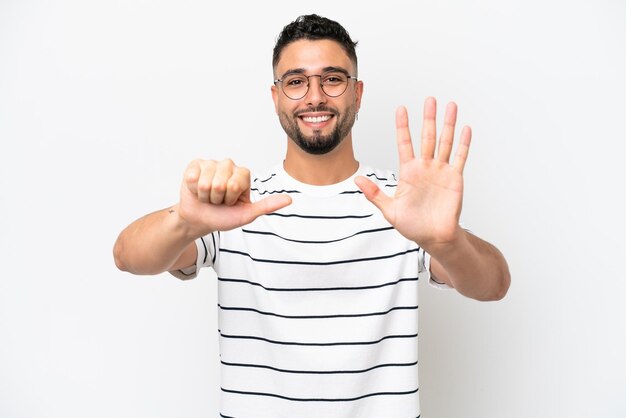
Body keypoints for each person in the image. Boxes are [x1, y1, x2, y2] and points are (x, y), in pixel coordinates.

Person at [114, 14, 510, 418]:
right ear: (275, 97)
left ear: (357, 94)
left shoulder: (403, 204)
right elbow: (128, 256)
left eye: (333, 79)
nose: (315, 96)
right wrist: (186, 220)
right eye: (296, 81)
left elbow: (493, 284)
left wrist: (447, 242)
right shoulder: (235, 206)